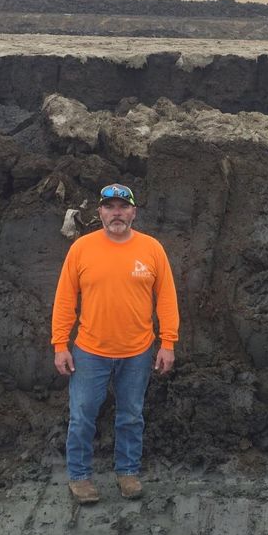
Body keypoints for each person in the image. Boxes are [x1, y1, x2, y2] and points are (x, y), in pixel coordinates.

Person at [51, 182, 179, 504]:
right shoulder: (81, 249)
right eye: (110, 207)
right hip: (90, 351)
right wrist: (60, 344)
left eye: (123, 207)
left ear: (133, 212)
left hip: (137, 352)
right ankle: (79, 477)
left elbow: (166, 299)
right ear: (100, 213)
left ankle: (127, 472)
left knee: (131, 414)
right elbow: (65, 299)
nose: (116, 213)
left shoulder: (152, 249)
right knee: (82, 414)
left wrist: (168, 342)